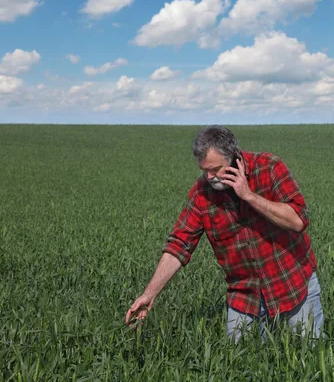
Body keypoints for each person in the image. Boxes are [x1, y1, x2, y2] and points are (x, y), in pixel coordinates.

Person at [126, 125, 323, 342]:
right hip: (245, 297)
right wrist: (150, 293)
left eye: (216, 169)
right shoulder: (202, 193)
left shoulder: (269, 168)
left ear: (234, 157)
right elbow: (179, 244)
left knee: (309, 357)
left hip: (292, 286)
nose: (210, 177)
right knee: (236, 365)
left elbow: (297, 220)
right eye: (204, 170)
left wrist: (249, 195)